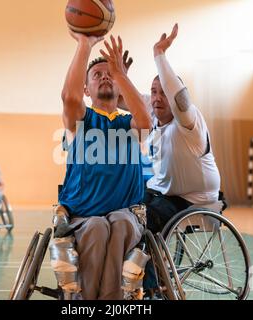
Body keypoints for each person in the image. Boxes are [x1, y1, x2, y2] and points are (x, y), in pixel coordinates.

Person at [58, 30, 152, 300]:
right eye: (97, 75)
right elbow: (69, 98)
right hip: (83, 216)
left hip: (126, 212)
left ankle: (110, 301)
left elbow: (145, 122)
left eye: (108, 73)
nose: (104, 76)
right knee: (98, 227)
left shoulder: (128, 123)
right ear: (86, 89)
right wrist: (85, 45)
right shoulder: (81, 119)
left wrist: (121, 74)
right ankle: (84, 300)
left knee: (121, 222)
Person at [139, 24, 222, 297]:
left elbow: (178, 98)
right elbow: (131, 101)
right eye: (154, 92)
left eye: (163, 91)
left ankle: (153, 289)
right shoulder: (153, 117)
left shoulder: (189, 121)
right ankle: (134, 276)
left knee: (145, 221)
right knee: (123, 207)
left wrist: (159, 55)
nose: (157, 97)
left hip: (194, 198)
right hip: (165, 191)